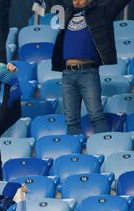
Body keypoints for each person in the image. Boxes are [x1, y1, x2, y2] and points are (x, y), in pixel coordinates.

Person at [52, 0, 132, 135]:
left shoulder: (101, 12)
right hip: (67, 75)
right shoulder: (65, 13)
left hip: (88, 72)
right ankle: (75, 156)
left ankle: (104, 149)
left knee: (96, 116)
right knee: (71, 120)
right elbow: (52, 2)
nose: (76, 1)